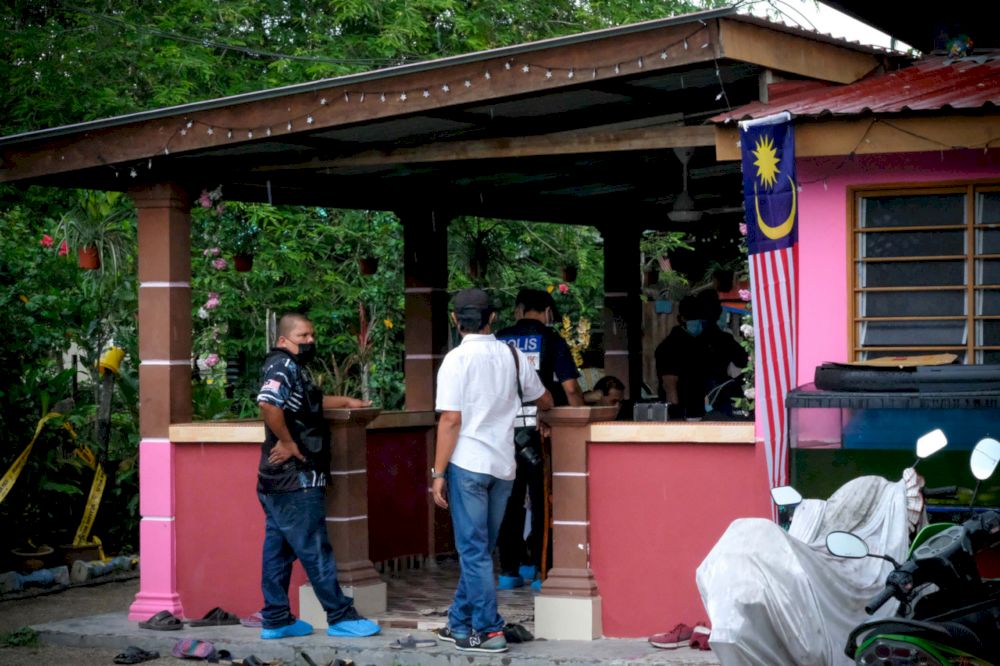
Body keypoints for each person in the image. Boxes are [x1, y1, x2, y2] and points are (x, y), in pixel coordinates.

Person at [431, 288, 553, 654]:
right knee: (481, 550)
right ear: (493, 318)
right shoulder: (514, 356)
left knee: (474, 551)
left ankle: (487, 630)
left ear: (456, 320)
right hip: (503, 467)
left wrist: (437, 473)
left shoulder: (455, 360)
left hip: (467, 465)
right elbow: (543, 398)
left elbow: (451, 419)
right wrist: (544, 417)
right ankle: (458, 623)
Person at [256, 313, 381, 640]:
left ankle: (276, 618)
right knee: (315, 548)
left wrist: (345, 402)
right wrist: (287, 441)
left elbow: (307, 404)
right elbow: (269, 404)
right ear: (283, 340)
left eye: (312, 335)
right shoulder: (281, 365)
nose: (310, 341)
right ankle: (340, 615)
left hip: (276, 481)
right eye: (303, 336)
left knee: (279, 552)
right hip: (294, 479)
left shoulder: (293, 368)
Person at [494, 288, 583, 591]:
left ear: (519, 309)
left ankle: (508, 570)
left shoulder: (499, 339)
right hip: (539, 432)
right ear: (547, 312)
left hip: (504, 434)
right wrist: (578, 419)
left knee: (510, 501)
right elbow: (570, 389)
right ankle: (542, 571)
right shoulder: (553, 340)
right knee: (544, 500)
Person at [654, 291, 747, 420]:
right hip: (686, 414)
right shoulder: (670, 346)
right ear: (680, 319)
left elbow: (743, 360)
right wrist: (676, 419)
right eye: (691, 317)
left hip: (716, 410)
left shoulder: (718, 339)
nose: (696, 321)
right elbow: (670, 386)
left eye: (699, 317)